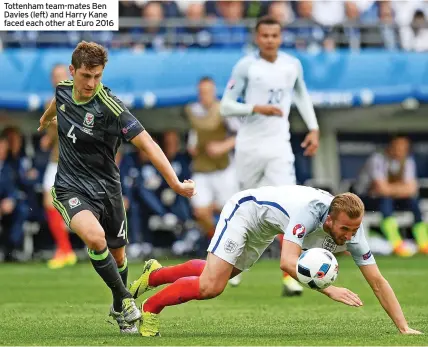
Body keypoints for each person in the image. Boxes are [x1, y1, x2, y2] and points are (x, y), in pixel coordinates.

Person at [37, 41, 196, 334]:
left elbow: (147, 142)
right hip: (69, 187)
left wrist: (174, 181)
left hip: (108, 189)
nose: (92, 83)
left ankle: (116, 303)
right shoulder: (62, 88)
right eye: (86, 76)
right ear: (73, 72)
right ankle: (126, 302)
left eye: (98, 76)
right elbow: (57, 101)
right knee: (96, 239)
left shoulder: (111, 107)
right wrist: (47, 118)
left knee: (119, 256)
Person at [130, 185, 422, 337]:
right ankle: (150, 307)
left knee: (219, 274)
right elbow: (287, 262)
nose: (349, 235)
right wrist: (328, 289)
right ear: (330, 219)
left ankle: (154, 275)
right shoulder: (309, 214)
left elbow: (378, 282)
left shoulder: (353, 234)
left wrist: (403, 327)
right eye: (344, 229)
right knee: (212, 286)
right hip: (246, 211)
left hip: (266, 227)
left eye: (354, 229)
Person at [219, 15, 320, 295]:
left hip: (279, 146)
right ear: (257, 37)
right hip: (249, 146)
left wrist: (314, 127)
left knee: (291, 206)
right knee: (243, 208)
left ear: (281, 37)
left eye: (274, 36)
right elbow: (226, 106)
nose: (270, 40)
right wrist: (256, 108)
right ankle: (231, 266)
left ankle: (290, 274)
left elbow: (302, 96)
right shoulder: (247, 66)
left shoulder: (292, 65)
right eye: (265, 36)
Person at [352, 135, 428, 256]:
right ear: (390, 147)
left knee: (414, 201)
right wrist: (401, 188)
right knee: (385, 200)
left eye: (404, 148)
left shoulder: (408, 161)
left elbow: (412, 189)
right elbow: (380, 189)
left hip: (391, 198)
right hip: (365, 199)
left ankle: (423, 242)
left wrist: (392, 189)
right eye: (398, 147)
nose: (400, 151)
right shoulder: (377, 159)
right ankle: (396, 242)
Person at [184, 77, 239, 241]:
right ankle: (216, 240)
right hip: (201, 169)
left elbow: (241, 134)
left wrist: (222, 146)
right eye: (202, 92)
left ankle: (229, 241)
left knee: (229, 210)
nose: (204, 95)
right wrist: (192, 145)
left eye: (207, 92)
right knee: (200, 212)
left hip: (223, 168)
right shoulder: (192, 110)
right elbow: (193, 133)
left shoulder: (224, 110)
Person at [40, 64, 77, 269]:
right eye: (55, 76)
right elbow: (54, 132)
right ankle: (64, 249)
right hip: (56, 159)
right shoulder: (50, 102)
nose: (58, 79)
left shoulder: (77, 99)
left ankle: (98, 247)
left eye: (61, 75)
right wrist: (47, 138)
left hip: (74, 163)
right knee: (48, 202)